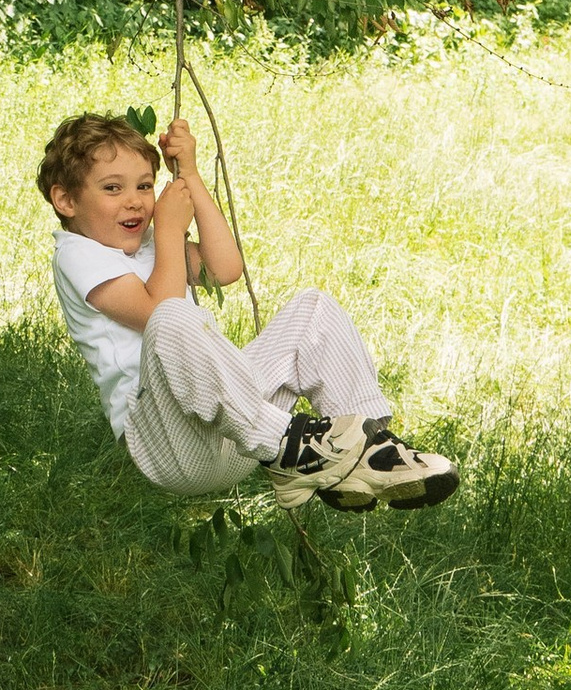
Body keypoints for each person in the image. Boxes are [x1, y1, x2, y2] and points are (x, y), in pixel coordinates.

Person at [39, 108, 458, 512]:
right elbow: (156, 314)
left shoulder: (151, 244)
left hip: (233, 430)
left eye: (145, 187)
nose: (135, 202)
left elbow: (225, 268)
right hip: (168, 444)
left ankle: (369, 450)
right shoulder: (76, 252)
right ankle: (293, 445)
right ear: (66, 201)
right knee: (171, 316)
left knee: (312, 310)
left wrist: (191, 177)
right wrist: (168, 228)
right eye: (113, 188)